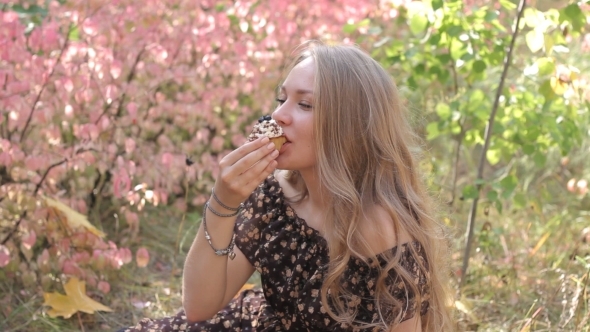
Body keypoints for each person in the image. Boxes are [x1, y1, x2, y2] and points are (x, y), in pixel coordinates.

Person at [118, 40, 454, 332]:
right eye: (282, 99)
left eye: (305, 104)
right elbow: (199, 307)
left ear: (350, 127)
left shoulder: (380, 227)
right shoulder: (277, 196)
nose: (279, 115)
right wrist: (223, 201)